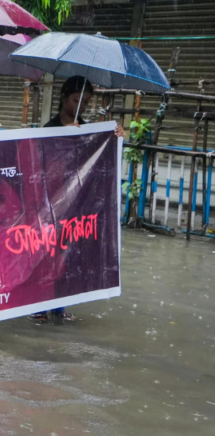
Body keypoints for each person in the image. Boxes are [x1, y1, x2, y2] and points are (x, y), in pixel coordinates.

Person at [33, 76, 125, 324]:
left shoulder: (90, 133)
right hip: (50, 203)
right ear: (63, 98)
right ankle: (39, 306)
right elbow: (40, 168)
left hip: (76, 204)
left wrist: (116, 138)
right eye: (76, 100)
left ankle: (60, 307)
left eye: (85, 103)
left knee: (68, 255)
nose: (80, 107)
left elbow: (102, 165)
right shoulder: (49, 129)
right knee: (48, 253)